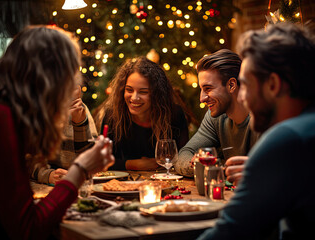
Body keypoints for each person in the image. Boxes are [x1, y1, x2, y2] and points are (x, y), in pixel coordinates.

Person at [197, 22, 315, 240]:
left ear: (273, 84)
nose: (241, 97)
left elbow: (229, 233)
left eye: (246, 85)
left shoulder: (287, 138)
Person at [0, 25, 115, 239]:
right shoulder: (2, 121)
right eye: (70, 76)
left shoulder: (11, 112)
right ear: (50, 80)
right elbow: (28, 229)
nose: (74, 86)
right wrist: (79, 170)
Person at [93, 56, 189, 170]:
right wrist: (134, 164)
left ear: (156, 94)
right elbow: (101, 161)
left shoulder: (174, 114)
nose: (134, 98)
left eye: (143, 92)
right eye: (129, 90)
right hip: (122, 185)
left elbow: (184, 157)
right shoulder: (112, 116)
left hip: (166, 182)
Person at [175, 49, 259, 177]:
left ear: (231, 85)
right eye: (201, 90)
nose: (202, 98)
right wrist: (202, 166)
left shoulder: (262, 117)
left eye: (208, 89)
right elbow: (184, 154)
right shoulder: (215, 118)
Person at [30, 86, 98, 185]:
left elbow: (90, 163)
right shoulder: (37, 110)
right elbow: (24, 161)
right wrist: (48, 175)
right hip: (43, 185)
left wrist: (80, 124)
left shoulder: (81, 109)